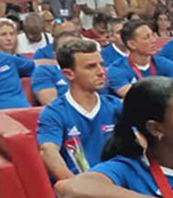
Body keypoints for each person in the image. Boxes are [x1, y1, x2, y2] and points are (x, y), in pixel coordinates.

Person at [36, 40, 120, 180]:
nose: (101, 72)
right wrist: (77, 187)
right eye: (91, 67)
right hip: (79, 189)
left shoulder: (115, 106)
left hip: (116, 184)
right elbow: (48, 151)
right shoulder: (54, 113)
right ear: (69, 74)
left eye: (102, 64)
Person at [107, 19, 173, 97]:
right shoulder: (117, 69)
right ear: (132, 44)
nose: (154, 40)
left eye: (153, 35)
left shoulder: (163, 63)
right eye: (146, 37)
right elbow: (133, 97)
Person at [31, 31, 83, 105]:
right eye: (67, 47)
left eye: (78, 47)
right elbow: (52, 104)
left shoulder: (92, 70)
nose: (73, 51)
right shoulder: (45, 71)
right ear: (55, 54)